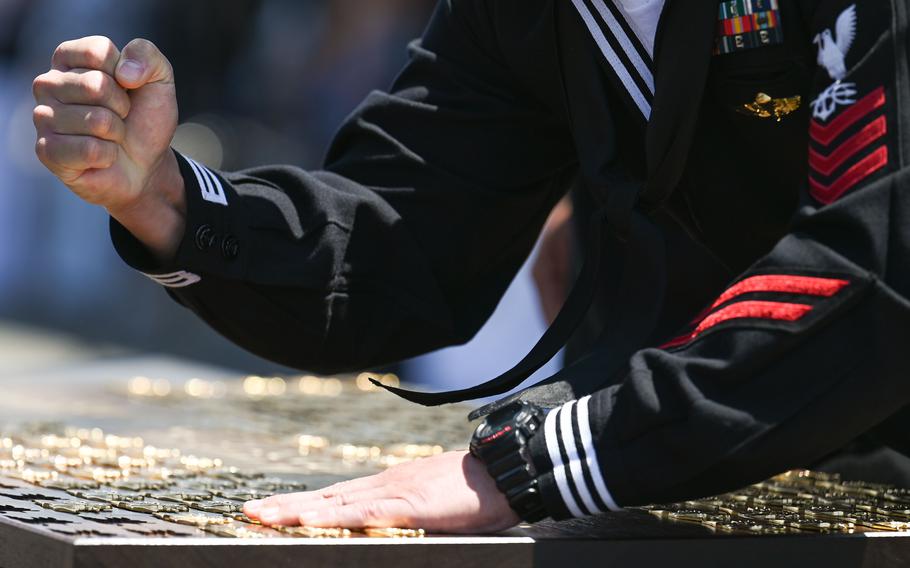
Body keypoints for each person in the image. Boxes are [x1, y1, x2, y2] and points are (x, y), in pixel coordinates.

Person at [30, 0, 910, 533]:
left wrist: (537, 464)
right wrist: (165, 200)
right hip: (704, 477)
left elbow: (879, 265)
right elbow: (403, 244)